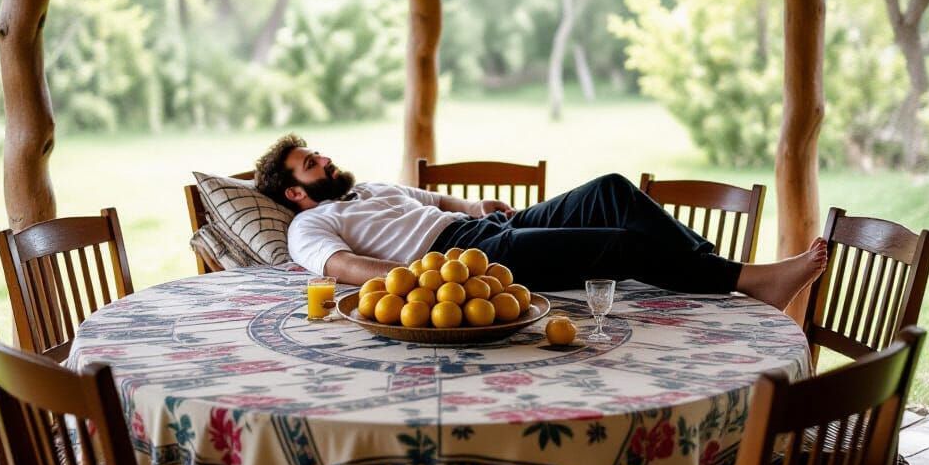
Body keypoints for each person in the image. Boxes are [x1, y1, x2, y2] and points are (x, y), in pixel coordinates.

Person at [256, 134, 827, 311]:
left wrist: (476, 206)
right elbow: (346, 268)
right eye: (311, 165)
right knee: (617, 246)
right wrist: (424, 281)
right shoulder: (308, 228)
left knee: (610, 190)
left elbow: (433, 199)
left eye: (318, 155)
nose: (324, 161)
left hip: (485, 231)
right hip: (460, 262)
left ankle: (714, 267)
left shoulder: (369, 188)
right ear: (294, 191)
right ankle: (745, 281)